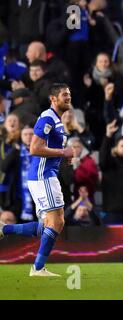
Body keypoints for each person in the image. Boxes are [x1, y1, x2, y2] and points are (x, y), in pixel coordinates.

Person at [0, 83, 75, 277]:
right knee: (56, 222)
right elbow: (34, 149)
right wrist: (62, 151)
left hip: (48, 175)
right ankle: (38, 268)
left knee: (51, 223)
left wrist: (64, 156)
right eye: (64, 95)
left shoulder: (57, 120)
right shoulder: (47, 118)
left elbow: (50, 149)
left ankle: (5, 229)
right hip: (43, 176)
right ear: (53, 99)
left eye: (69, 94)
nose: (68, 97)